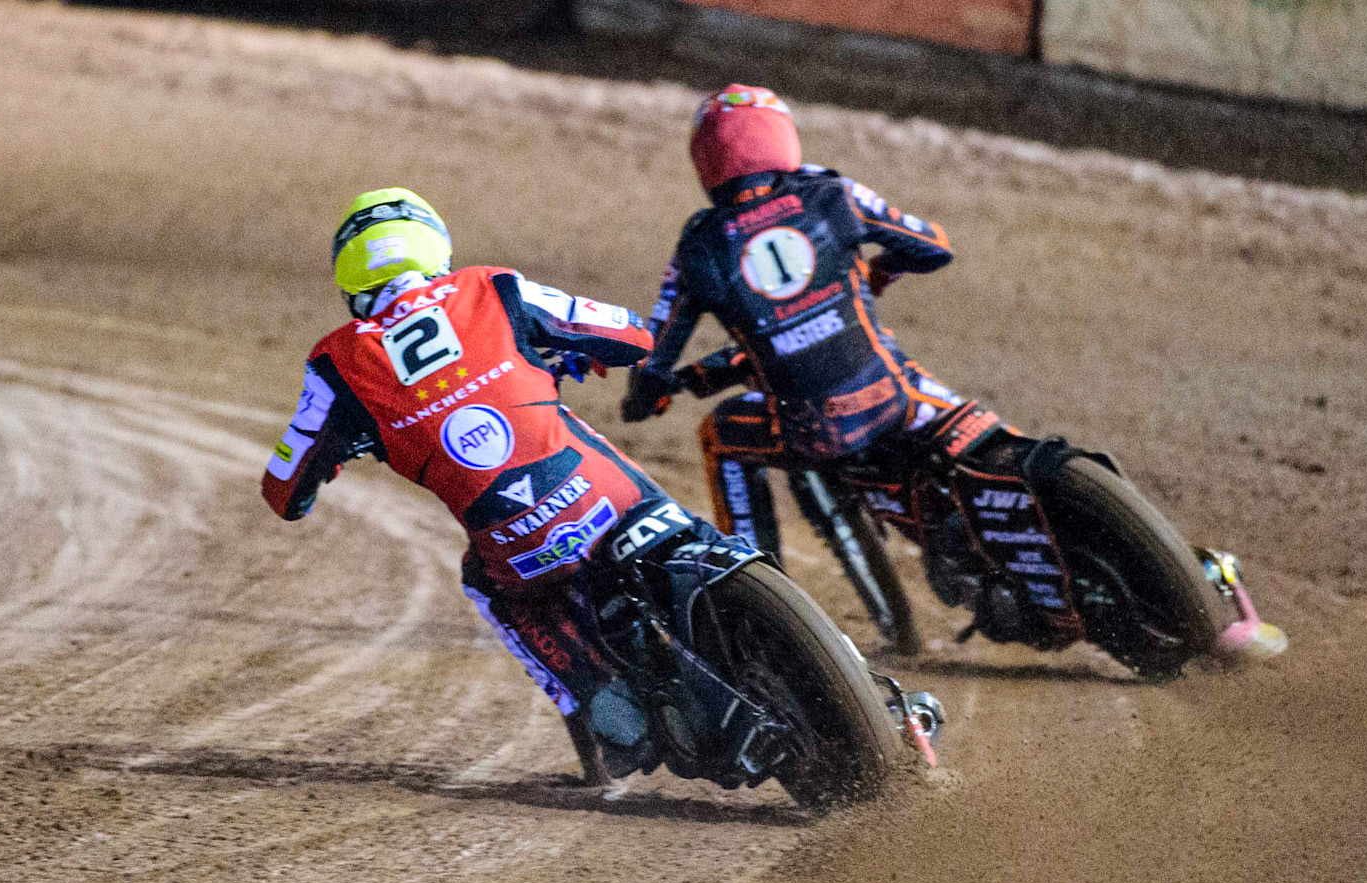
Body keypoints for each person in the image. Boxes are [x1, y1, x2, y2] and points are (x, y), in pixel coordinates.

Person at [262, 187, 683, 777]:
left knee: (483, 580)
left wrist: (350, 445)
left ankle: (595, 698)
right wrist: (551, 357)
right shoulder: (491, 287)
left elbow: (283, 489)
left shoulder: (337, 365)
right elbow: (638, 337)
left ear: (351, 283)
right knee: (668, 518)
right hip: (611, 500)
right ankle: (747, 580)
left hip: (518, 549)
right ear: (436, 249)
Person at [620, 84, 964, 558]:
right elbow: (934, 248)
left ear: (708, 160)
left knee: (720, 435)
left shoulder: (699, 246)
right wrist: (881, 270)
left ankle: (757, 573)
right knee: (903, 365)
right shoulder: (833, 194)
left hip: (811, 430)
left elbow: (654, 351)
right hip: (892, 395)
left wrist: (641, 396)